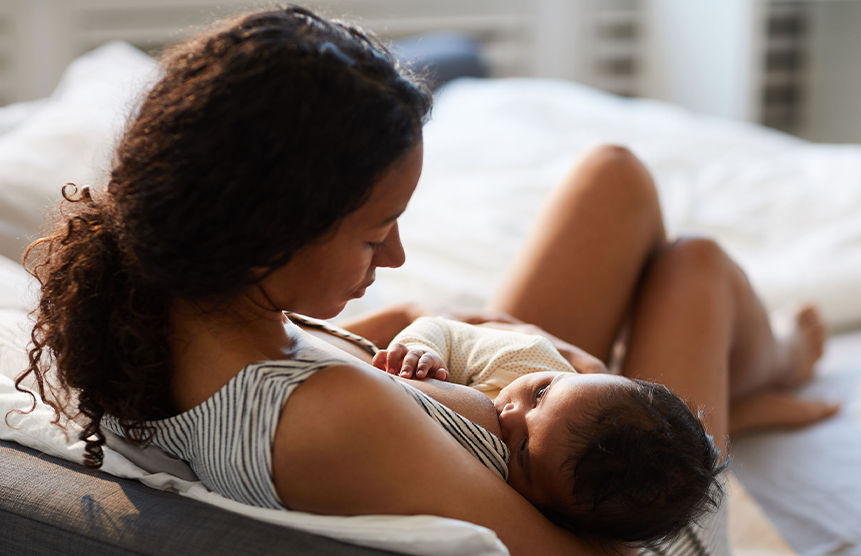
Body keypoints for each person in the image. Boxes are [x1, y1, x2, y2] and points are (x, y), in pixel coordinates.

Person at [13, 6, 838, 556]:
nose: (397, 254)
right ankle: (761, 377)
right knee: (693, 266)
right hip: (638, 516)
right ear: (269, 235)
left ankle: (753, 383)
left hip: (494, 422)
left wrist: (440, 335)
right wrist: (574, 372)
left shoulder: (154, 306)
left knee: (613, 178)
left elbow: (347, 352)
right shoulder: (334, 419)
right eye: (375, 233)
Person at [372, 316, 724, 546]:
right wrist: (424, 349)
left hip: (686, 542)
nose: (509, 415)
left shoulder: (560, 516)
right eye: (540, 394)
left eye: (524, 450)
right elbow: (443, 329)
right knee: (695, 255)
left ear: (554, 514)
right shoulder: (529, 358)